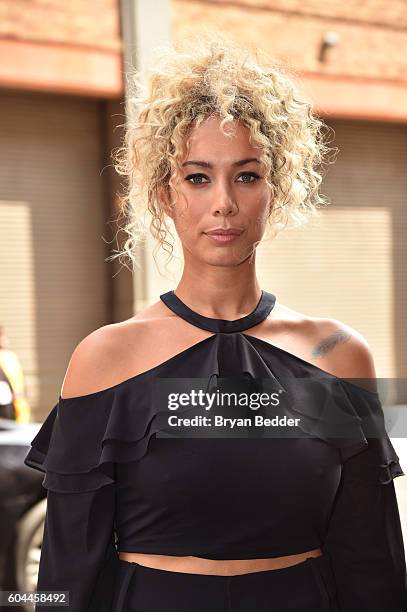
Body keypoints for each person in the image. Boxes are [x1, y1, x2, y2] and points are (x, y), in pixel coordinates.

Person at [24, 35, 407, 611]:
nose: (223, 202)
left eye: (247, 175)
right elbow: (66, 568)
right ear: (163, 193)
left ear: (274, 191)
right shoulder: (105, 360)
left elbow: (372, 563)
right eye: (197, 177)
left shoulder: (338, 356)